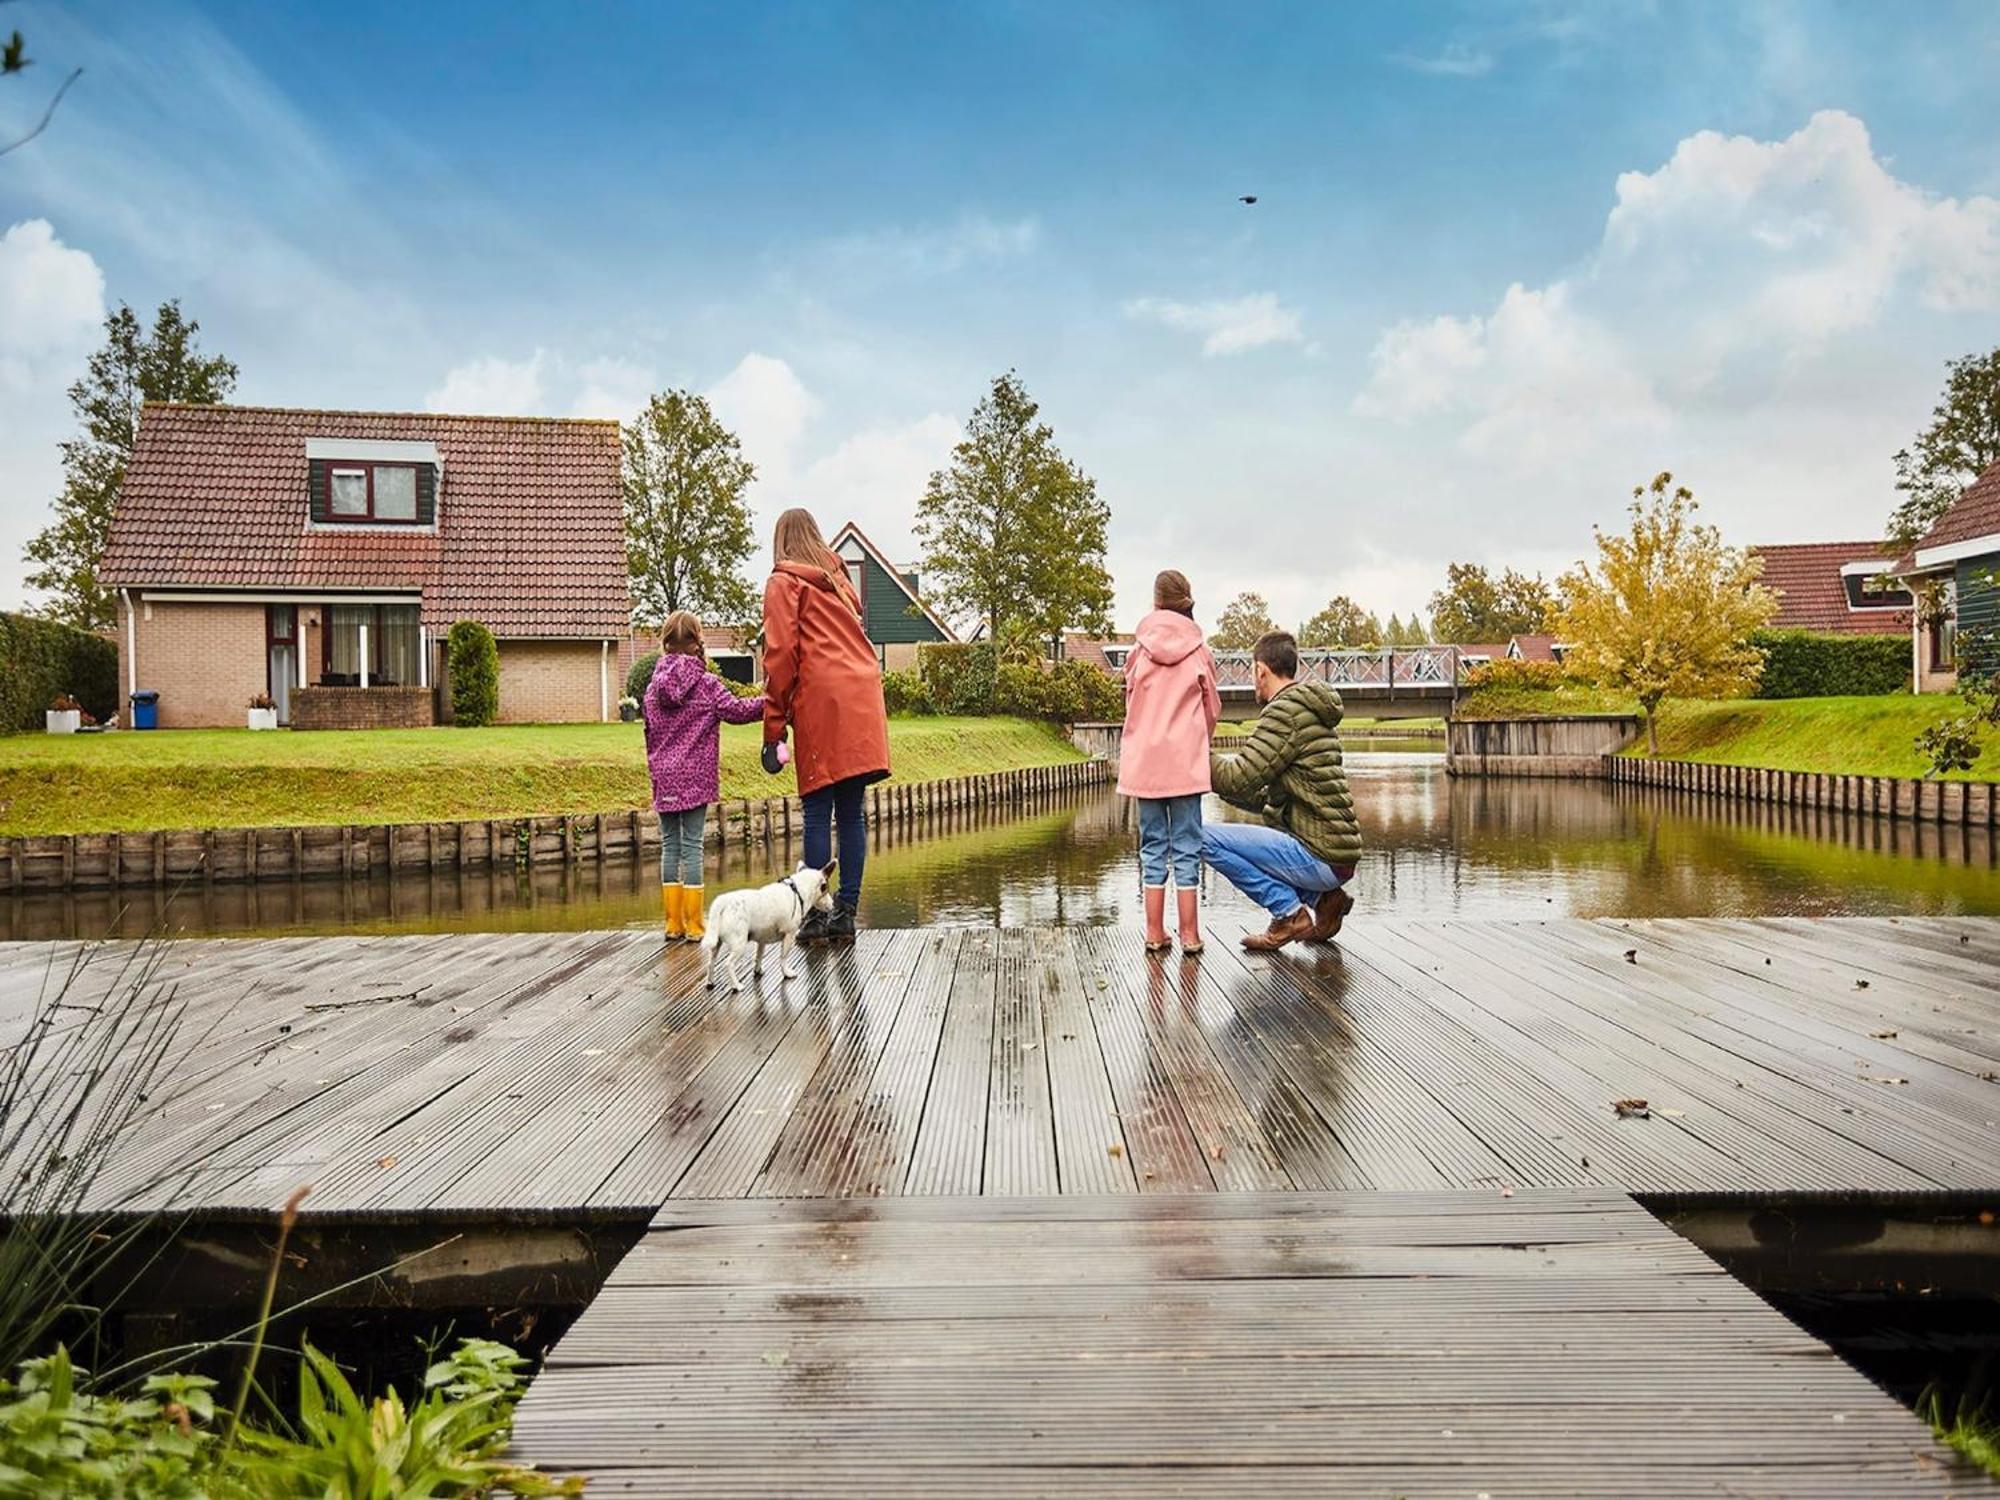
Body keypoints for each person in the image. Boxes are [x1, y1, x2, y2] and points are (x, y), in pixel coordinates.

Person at [760, 507, 891, 941]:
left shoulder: (784, 582)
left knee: (817, 810)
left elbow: (780, 656)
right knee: (852, 812)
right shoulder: (838, 581)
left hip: (822, 698)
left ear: (781, 541)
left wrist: (772, 729)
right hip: (862, 697)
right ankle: (846, 913)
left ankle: (814, 918)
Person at [1204, 630, 1360, 951]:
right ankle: (1325, 899)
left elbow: (1237, 777)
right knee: (1245, 842)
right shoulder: (1308, 711)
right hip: (1337, 855)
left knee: (1197, 837)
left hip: (1320, 855)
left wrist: (1193, 756)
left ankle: (1288, 913)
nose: (1253, 682)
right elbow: (1263, 796)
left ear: (1261, 670)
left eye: (1253, 673)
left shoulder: (1283, 712)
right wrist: (1217, 787)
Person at [642, 610, 767, 942]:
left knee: (670, 846)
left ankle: (672, 925)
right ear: (698, 644)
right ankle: (696, 927)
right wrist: (771, 702)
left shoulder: (653, 688)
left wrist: (657, 764)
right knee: (693, 847)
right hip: (695, 776)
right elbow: (739, 711)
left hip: (664, 774)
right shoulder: (707, 685)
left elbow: (649, 731)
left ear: (665, 643)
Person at [1118, 569, 1221, 954]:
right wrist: (1198, 740)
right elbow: (1212, 708)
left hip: (1145, 764)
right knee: (1188, 846)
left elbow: (1131, 705)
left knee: (1153, 845)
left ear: (1156, 601)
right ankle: (1191, 935)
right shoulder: (1200, 653)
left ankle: (1154, 931)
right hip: (1185, 766)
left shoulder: (1137, 652)